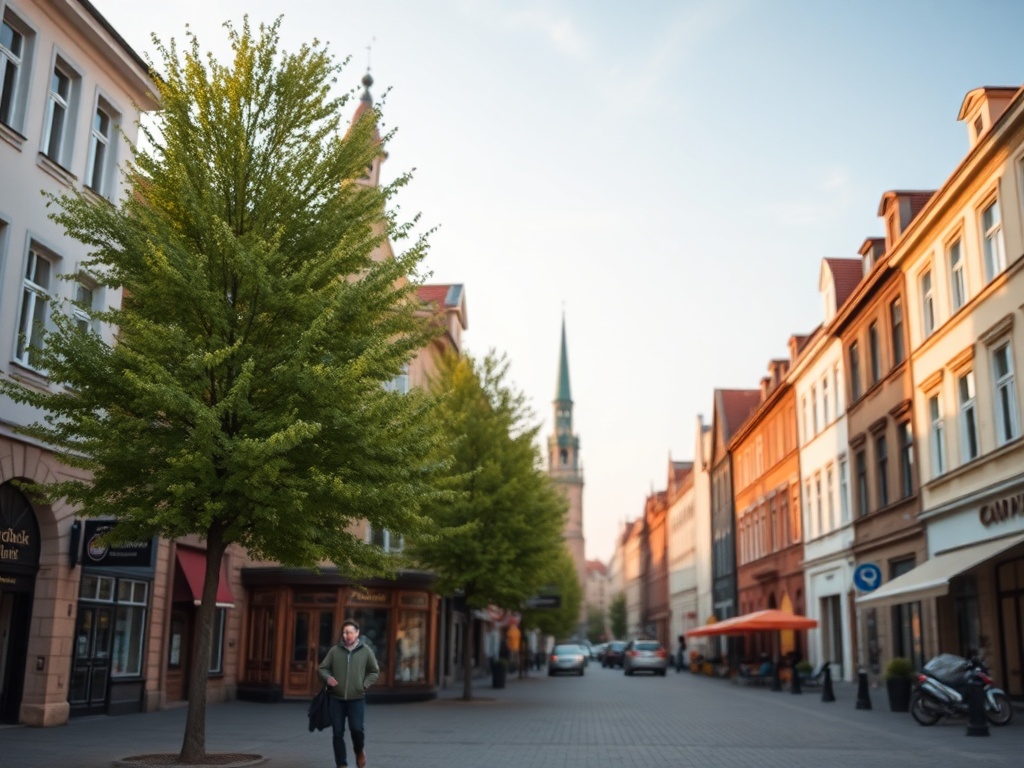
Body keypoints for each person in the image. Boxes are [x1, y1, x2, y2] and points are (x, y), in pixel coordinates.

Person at [319, 620, 380, 768]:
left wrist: (364, 684)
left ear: (357, 633)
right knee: (337, 733)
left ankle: (359, 751)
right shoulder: (335, 651)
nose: (348, 635)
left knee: (357, 729)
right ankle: (341, 764)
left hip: (356, 699)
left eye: (351, 632)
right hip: (336, 699)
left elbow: (374, 671)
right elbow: (322, 668)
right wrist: (328, 678)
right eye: (345, 632)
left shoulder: (365, 651)